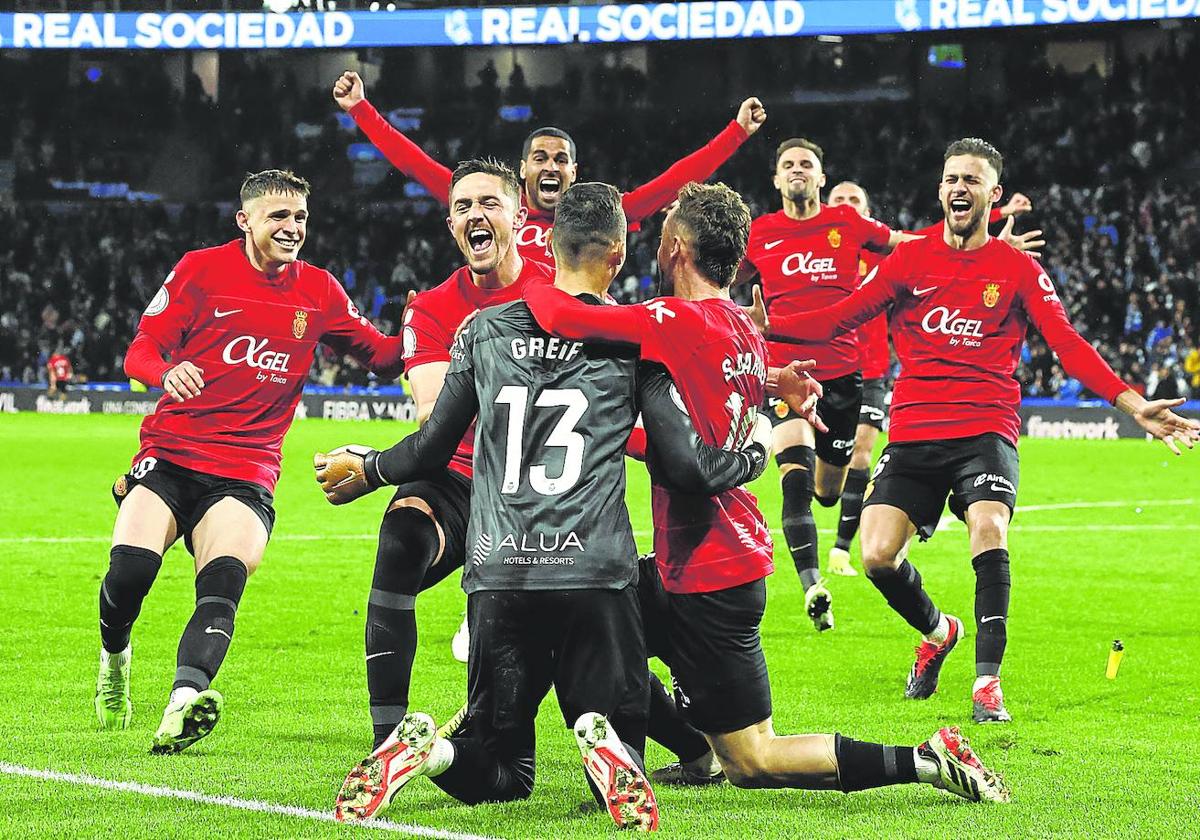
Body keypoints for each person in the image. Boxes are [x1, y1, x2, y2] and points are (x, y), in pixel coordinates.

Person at [525, 181, 1010, 803]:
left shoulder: (673, 320)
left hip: (711, 571)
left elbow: (565, 316)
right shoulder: (739, 325)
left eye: (664, 227)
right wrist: (774, 381)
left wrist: (531, 275)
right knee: (591, 620)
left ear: (675, 246)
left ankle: (923, 759)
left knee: (755, 759)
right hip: (717, 557)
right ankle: (690, 752)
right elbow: (711, 409)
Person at [315, 182, 778, 830]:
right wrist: (757, 448)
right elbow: (680, 460)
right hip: (595, 570)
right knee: (623, 763)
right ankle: (604, 743)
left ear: (548, 245)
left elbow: (430, 447)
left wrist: (368, 470)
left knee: (504, 770)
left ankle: (435, 750)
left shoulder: (482, 330)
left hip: (501, 573)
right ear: (617, 254)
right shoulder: (635, 338)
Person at [763, 138, 1200, 723]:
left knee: (988, 529)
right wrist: (755, 330)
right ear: (940, 190)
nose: (958, 189)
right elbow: (839, 317)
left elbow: (1066, 344)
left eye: (971, 180)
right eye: (951, 179)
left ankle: (987, 683)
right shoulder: (909, 260)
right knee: (874, 556)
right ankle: (940, 632)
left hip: (985, 427)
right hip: (915, 429)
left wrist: (1131, 402)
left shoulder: (1017, 269)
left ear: (992, 194)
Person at [96, 169, 404, 753]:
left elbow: (384, 359)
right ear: (246, 221)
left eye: (301, 219)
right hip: (170, 455)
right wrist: (166, 371)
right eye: (279, 217)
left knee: (222, 585)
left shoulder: (320, 291)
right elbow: (141, 350)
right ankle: (115, 655)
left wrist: (420, 326)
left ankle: (183, 702)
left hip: (245, 471)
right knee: (130, 575)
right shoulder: (200, 270)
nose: (293, 229)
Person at [355, 158, 554, 753]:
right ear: (450, 225)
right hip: (461, 477)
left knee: (571, 643)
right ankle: (388, 745)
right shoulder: (434, 308)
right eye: (463, 207)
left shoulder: (562, 289)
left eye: (489, 203)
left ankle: (694, 748)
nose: (476, 215)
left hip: (538, 489)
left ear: (520, 215)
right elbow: (434, 416)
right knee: (401, 537)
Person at [735, 138, 921, 632]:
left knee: (827, 490)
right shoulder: (760, 234)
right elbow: (714, 275)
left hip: (842, 375)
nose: (797, 170)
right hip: (784, 375)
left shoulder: (847, 225)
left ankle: (832, 500)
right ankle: (812, 584)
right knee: (791, 473)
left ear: (821, 178)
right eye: (788, 165)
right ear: (776, 180)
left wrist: (979, 245)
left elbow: (904, 244)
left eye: (807, 165)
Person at [822, 181, 1039, 576]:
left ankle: (840, 547)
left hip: (870, 371)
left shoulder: (892, 255)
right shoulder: (821, 257)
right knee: (824, 485)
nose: (847, 207)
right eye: (839, 201)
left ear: (869, 213)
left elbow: (942, 238)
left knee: (862, 455)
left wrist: (998, 226)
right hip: (826, 370)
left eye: (856, 200)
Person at [332, 70, 766, 265]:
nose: (550, 166)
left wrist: (737, 132)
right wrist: (360, 109)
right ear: (522, 170)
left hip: (570, 354)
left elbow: (672, 183)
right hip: (499, 346)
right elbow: (416, 164)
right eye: (540, 158)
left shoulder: (599, 214)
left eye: (561, 159)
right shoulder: (492, 203)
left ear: (575, 173)